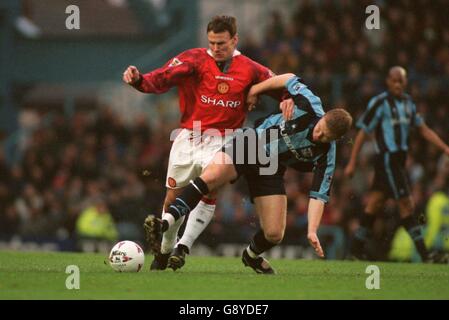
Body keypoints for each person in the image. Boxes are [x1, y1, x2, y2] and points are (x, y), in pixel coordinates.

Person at [123, 16, 290, 270]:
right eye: (212, 42)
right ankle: (165, 250)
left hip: (224, 139)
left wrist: (287, 98)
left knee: (209, 189)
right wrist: (139, 80)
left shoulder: (251, 69)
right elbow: (163, 77)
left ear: (235, 39)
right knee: (172, 198)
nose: (216, 48)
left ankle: (183, 247)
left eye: (222, 43)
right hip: (189, 136)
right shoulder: (194, 58)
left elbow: (281, 83)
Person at [144, 73, 353, 273]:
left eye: (325, 137)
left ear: (335, 139)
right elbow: (288, 78)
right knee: (212, 177)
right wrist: (256, 89)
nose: (318, 135)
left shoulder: (327, 154)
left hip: (270, 167)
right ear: (323, 116)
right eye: (320, 128)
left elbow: (318, 195)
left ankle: (251, 256)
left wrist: (312, 230)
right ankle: (165, 223)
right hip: (251, 143)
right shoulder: (310, 104)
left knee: (274, 234)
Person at [344, 66, 449, 262]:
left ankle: (354, 251)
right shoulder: (380, 103)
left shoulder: (409, 103)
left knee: (374, 204)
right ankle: (426, 255)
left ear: (406, 82)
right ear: (388, 81)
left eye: (401, 80)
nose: (398, 84)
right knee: (406, 204)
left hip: (399, 161)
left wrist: (445, 148)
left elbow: (423, 129)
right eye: (394, 80)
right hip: (387, 159)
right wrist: (352, 162)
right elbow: (362, 132)